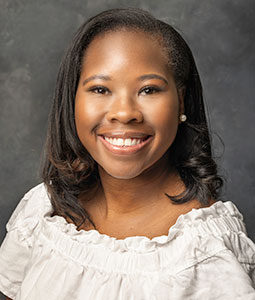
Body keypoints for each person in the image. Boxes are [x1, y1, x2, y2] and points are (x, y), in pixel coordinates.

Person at [0, 7, 254, 300]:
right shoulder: (44, 210)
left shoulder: (205, 252)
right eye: (99, 89)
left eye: (148, 90)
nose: (124, 113)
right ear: (73, 100)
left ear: (181, 102)